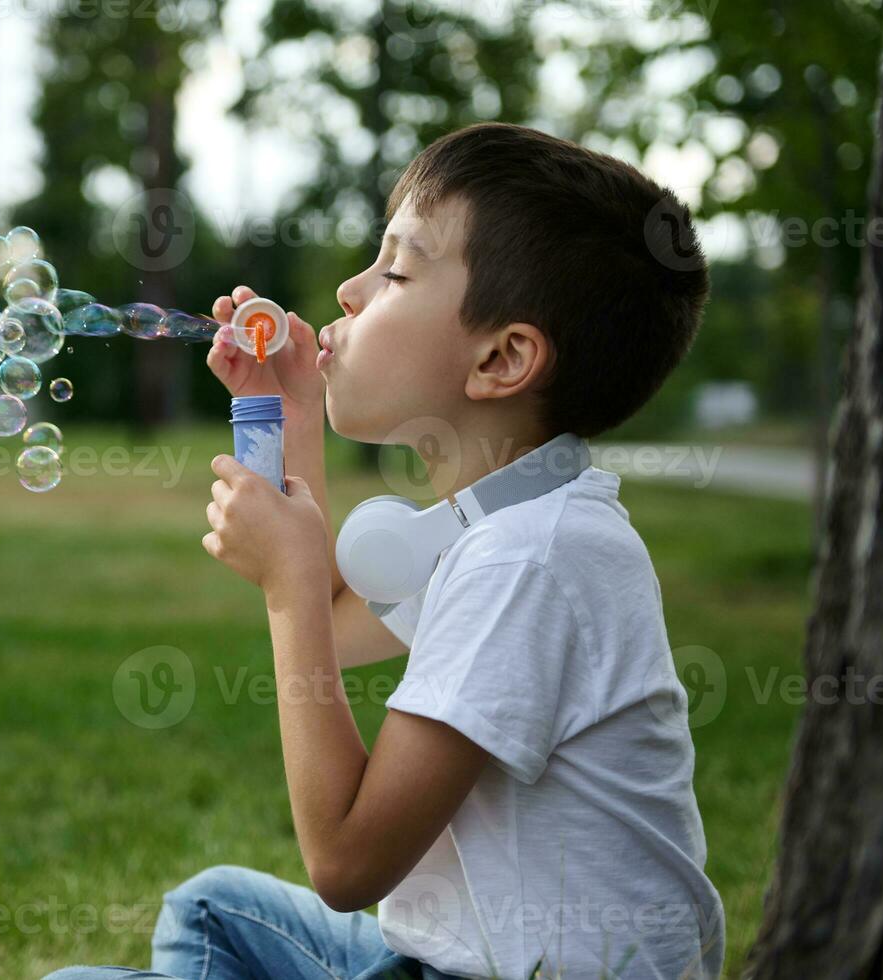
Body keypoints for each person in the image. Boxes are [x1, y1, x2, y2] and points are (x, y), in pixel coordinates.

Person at [46, 122, 725, 980]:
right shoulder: (508, 517)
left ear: (502, 357)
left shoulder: (526, 562)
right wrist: (287, 414)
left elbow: (345, 862)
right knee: (212, 908)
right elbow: (339, 623)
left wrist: (288, 584)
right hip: (447, 956)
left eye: (396, 271)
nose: (348, 288)